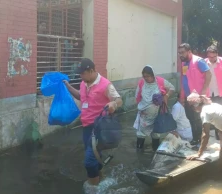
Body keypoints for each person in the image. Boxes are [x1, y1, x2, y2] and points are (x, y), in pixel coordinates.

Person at [63, 58, 122, 186]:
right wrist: (68, 86)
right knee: (94, 155)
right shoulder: (84, 83)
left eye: (82, 73)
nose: (81, 76)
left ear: (91, 71)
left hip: (99, 127)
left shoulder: (105, 85)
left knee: (89, 161)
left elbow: (118, 99)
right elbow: (80, 96)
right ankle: (99, 177)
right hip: (86, 126)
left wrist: (113, 104)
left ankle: (93, 188)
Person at [134, 66, 175, 151]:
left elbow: (172, 88)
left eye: (148, 76)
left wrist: (166, 96)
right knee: (141, 133)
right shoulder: (142, 83)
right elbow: (137, 96)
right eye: (144, 76)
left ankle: (155, 151)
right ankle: (139, 151)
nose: (146, 78)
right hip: (144, 114)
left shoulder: (160, 81)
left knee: (156, 132)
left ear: (153, 75)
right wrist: (140, 108)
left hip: (157, 113)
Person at [178, 43, 212, 145]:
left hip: (199, 97)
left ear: (189, 51)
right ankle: (196, 138)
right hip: (189, 98)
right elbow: (184, 80)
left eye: (182, 52)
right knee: (191, 118)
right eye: (179, 53)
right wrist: (182, 96)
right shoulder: (184, 64)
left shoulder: (198, 61)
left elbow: (209, 74)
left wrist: (203, 92)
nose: (180, 55)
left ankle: (203, 141)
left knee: (199, 119)